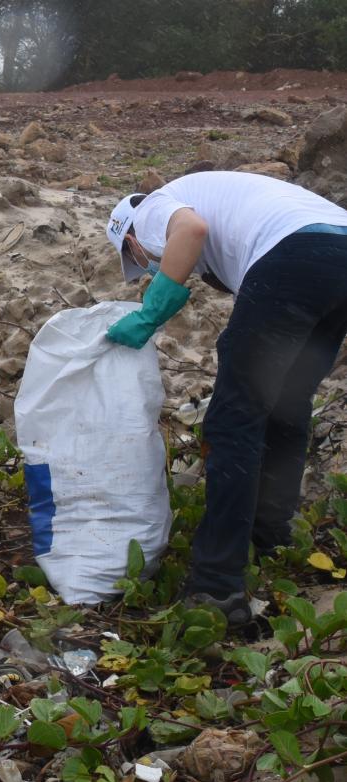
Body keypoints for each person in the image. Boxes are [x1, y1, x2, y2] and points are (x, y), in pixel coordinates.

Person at [104, 171, 347, 624]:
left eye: (141, 259)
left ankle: (217, 587)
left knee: (234, 421)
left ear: (132, 238)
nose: (149, 263)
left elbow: (191, 231)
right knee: (286, 407)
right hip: (339, 248)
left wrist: (152, 311)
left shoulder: (154, 204)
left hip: (295, 253)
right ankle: (272, 537)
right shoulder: (215, 198)